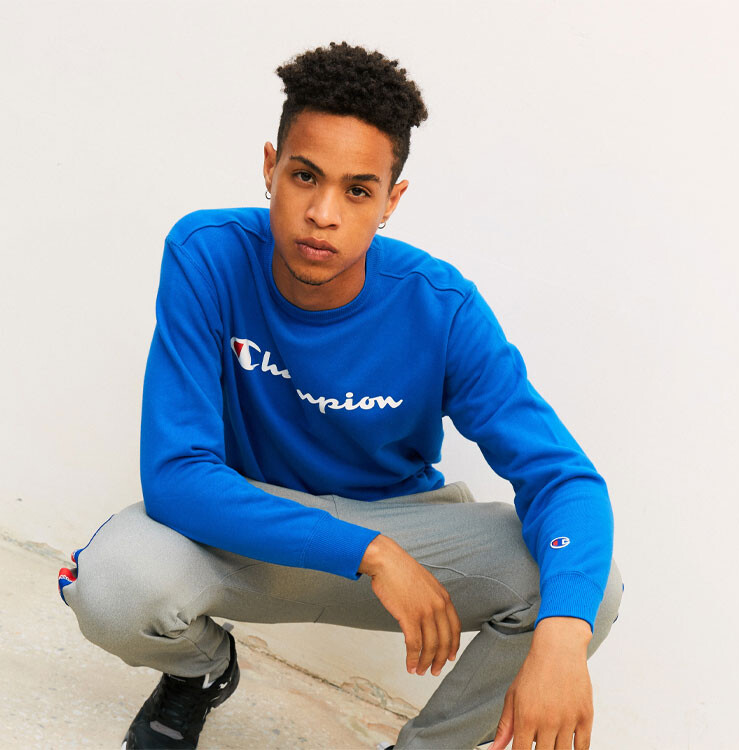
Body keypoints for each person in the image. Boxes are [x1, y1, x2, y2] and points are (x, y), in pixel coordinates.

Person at [58, 41, 623, 750]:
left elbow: (563, 479)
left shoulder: (441, 308)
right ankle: (200, 672)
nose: (323, 213)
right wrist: (369, 552)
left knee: (586, 590)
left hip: (406, 528)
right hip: (257, 527)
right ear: (271, 168)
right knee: (111, 583)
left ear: (391, 201)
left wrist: (563, 638)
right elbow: (176, 475)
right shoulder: (206, 253)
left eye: (358, 190)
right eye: (305, 176)